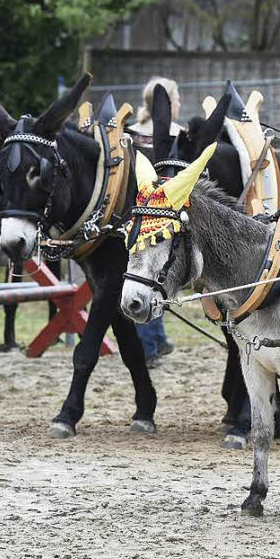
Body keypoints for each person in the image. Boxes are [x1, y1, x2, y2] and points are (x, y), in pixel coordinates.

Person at [128, 76, 180, 366]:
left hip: (134, 216)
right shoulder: (176, 135)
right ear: (168, 103)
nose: (180, 104)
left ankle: (156, 341)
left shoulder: (129, 134)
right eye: (178, 98)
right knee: (150, 279)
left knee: (143, 277)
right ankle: (151, 346)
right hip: (164, 219)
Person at [129, 76, 183, 149]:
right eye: (177, 100)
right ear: (166, 103)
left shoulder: (128, 135)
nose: (179, 104)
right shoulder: (179, 134)